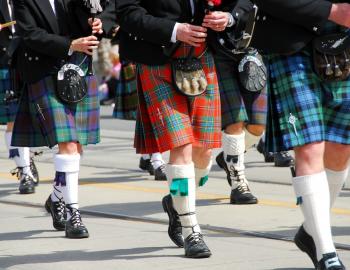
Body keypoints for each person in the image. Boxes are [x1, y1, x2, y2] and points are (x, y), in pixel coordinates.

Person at [116, 0, 222, 258]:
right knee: (181, 144)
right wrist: (175, 30)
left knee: (204, 152)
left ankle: (177, 202)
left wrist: (228, 17)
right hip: (157, 59)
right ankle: (190, 229)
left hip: (201, 57)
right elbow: (128, 13)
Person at [252, 1, 350, 269]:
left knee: (342, 149)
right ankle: (326, 252)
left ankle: (310, 231)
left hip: (344, 42)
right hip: (292, 46)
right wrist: (331, 11)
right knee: (309, 148)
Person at [12, 0, 104, 239]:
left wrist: (96, 23)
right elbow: (29, 33)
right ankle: (74, 213)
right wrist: (70, 45)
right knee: (68, 144)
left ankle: (56, 199)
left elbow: (104, 14)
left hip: (78, 70)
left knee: (76, 146)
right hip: (44, 71)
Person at [0, 0, 39, 194]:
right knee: (13, 121)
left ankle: (26, 159)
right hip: (4, 63)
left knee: (33, 120)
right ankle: (25, 171)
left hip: (32, 61)